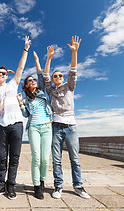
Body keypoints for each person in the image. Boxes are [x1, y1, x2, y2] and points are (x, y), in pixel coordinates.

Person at [43, 36, 90, 199]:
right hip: (56, 127)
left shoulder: (69, 86)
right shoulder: (50, 91)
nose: (57, 78)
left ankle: (78, 186)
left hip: (71, 127)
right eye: (55, 76)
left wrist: (75, 52)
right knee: (56, 159)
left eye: (59, 76)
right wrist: (48, 58)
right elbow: (45, 75)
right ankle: (58, 186)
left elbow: (73, 71)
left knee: (74, 159)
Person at [0, 36, 31, 200]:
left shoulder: (13, 84)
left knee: (14, 158)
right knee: (1, 157)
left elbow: (21, 67)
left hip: (16, 126)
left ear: (7, 75)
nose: (0, 75)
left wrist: (25, 49)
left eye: (3, 73)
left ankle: (10, 186)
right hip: (1, 127)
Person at [17, 51, 52, 200]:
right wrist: (20, 104)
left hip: (47, 127)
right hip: (34, 128)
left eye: (33, 80)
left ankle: (42, 180)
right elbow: (25, 115)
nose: (33, 81)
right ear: (26, 85)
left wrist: (37, 59)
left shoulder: (42, 92)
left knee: (45, 158)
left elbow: (41, 74)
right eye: (29, 81)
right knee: (36, 157)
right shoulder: (26, 99)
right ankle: (36, 186)